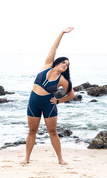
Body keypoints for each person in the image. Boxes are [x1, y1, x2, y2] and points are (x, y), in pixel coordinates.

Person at [21, 27, 75, 165]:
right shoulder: (47, 66)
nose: (65, 65)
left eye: (67, 65)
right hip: (33, 103)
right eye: (64, 62)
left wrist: (58, 101)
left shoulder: (63, 80)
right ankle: (26, 158)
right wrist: (62, 33)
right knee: (32, 131)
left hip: (48, 105)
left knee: (53, 132)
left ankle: (60, 159)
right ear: (58, 62)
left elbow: (71, 95)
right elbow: (54, 47)